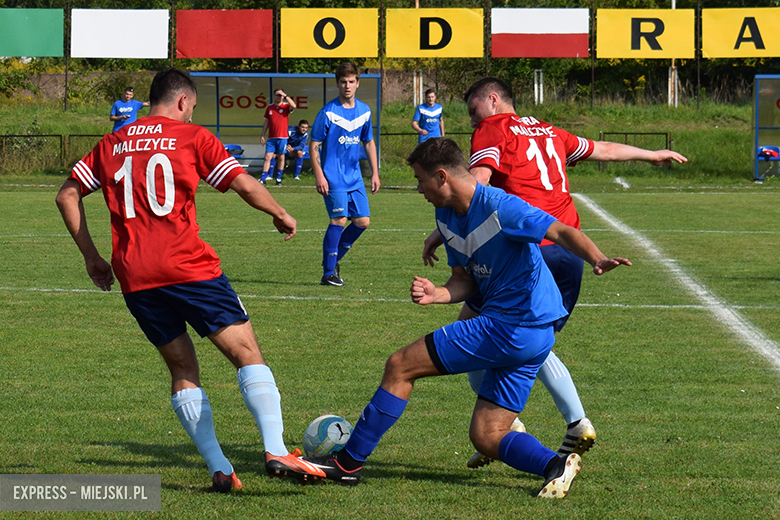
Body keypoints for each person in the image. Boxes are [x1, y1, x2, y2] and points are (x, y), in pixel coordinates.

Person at [304, 138, 631, 498]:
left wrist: (596, 258)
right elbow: (464, 280)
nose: (418, 189)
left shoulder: (501, 207)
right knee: (488, 435)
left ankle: (348, 463)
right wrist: (438, 294)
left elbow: (559, 231)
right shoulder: (446, 216)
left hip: (512, 324)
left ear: (442, 177)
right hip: (532, 334)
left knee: (400, 365)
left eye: (421, 180)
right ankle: (555, 465)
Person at [55, 67, 326, 492]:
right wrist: (280, 212)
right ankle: (276, 450)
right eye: (192, 106)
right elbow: (242, 183)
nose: (191, 113)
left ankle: (219, 467)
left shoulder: (112, 142)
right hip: (188, 268)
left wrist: (92, 257)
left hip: (135, 275)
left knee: (182, 367)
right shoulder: (192, 136)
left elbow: (66, 194)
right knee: (246, 353)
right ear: (183, 101)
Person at [422, 76, 688, 468]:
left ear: (492, 100)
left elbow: (477, 182)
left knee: (488, 339)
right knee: (535, 340)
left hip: (526, 252)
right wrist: (651, 154)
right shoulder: (550, 131)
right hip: (567, 251)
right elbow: (603, 149)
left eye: (474, 108)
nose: (473, 118)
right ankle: (567, 424)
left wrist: (445, 228)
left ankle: (507, 431)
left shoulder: (493, 128)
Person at [310, 62, 380, 287]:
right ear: (337, 84)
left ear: (358, 83)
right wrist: (319, 175)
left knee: (362, 221)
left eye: (351, 81)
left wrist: (375, 173)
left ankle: (332, 261)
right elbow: (314, 145)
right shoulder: (328, 112)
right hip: (333, 176)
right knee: (339, 220)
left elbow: (368, 142)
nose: (347, 86)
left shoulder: (364, 111)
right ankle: (328, 274)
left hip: (355, 177)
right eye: (343, 82)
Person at [260, 89, 297, 186]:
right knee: (267, 157)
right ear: (274, 96)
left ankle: (278, 178)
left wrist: (286, 96)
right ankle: (263, 178)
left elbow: (294, 106)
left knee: (281, 157)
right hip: (271, 137)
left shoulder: (286, 106)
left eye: (280, 95)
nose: (279, 97)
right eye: (277, 95)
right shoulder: (270, 107)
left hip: (282, 137)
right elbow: (266, 122)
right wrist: (263, 134)